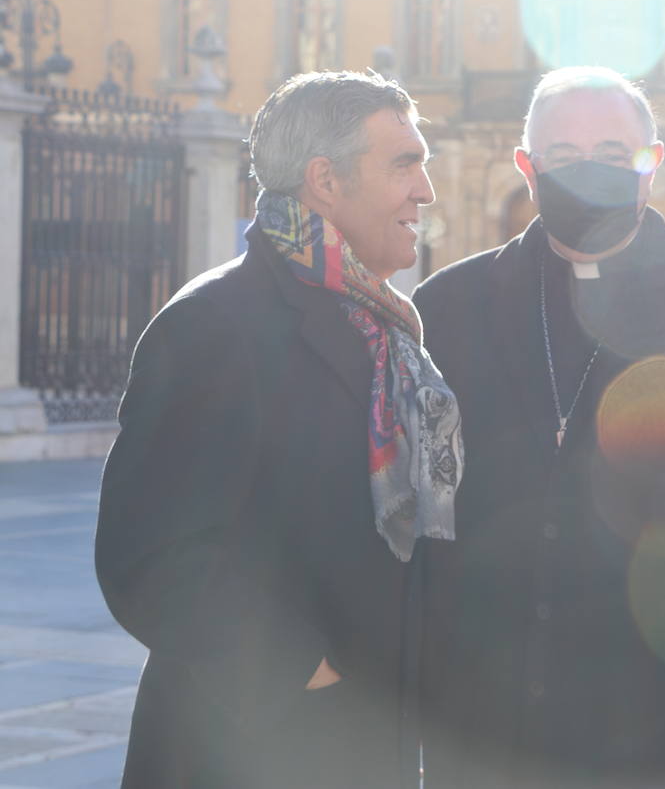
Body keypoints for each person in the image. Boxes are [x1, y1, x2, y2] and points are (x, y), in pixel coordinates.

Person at [413, 66, 665, 789]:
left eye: (613, 155)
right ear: (527, 169)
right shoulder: (451, 307)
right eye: (562, 156)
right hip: (478, 717)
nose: (588, 172)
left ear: (651, 166)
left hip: (645, 715)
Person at [95, 71, 460, 788]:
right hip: (250, 747)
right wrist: (310, 671)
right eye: (403, 164)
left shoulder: (384, 327)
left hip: (363, 741)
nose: (426, 191)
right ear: (325, 179)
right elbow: (148, 555)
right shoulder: (215, 324)